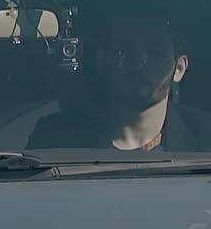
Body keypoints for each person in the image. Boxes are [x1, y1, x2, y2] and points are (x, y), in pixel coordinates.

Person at [26, 9, 211, 152]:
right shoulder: (55, 141)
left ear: (179, 68)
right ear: (103, 63)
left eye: (154, 52)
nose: (138, 63)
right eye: (121, 51)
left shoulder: (205, 140)